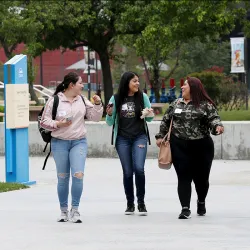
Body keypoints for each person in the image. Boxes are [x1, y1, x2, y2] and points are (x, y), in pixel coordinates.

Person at [155, 77, 224, 219]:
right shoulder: (176, 104)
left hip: (202, 146)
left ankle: (201, 201)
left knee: (201, 179)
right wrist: (160, 136)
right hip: (179, 145)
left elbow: (214, 119)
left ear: (193, 87)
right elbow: (166, 120)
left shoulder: (205, 105)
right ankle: (185, 209)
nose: (182, 87)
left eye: (185, 85)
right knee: (183, 177)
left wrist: (217, 127)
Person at [41, 72, 103, 223]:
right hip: (59, 142)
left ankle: (75, 210)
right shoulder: (55, 100)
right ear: (72, 85)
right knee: (62, 178)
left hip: (78, 142)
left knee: (78, 175)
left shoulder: (82, 99)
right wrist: (58, 124)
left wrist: (98, 104)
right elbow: (44, 121)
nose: (83, 85)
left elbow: (95, 118)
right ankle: (63, 211)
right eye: (81, 83)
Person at [106, 71, 154, 216]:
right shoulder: (116, 99)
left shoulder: (142, 97)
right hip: (122, 139)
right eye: (134, 81)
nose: (137, 84)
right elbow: (110, 123)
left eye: (138, 81)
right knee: (127, 172)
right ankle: (130, 203)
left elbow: (150, 119)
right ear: (127, 82)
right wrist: (108, 114)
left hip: (139, 137)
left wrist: (149, 113)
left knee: (139, 169)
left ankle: (141, 202)